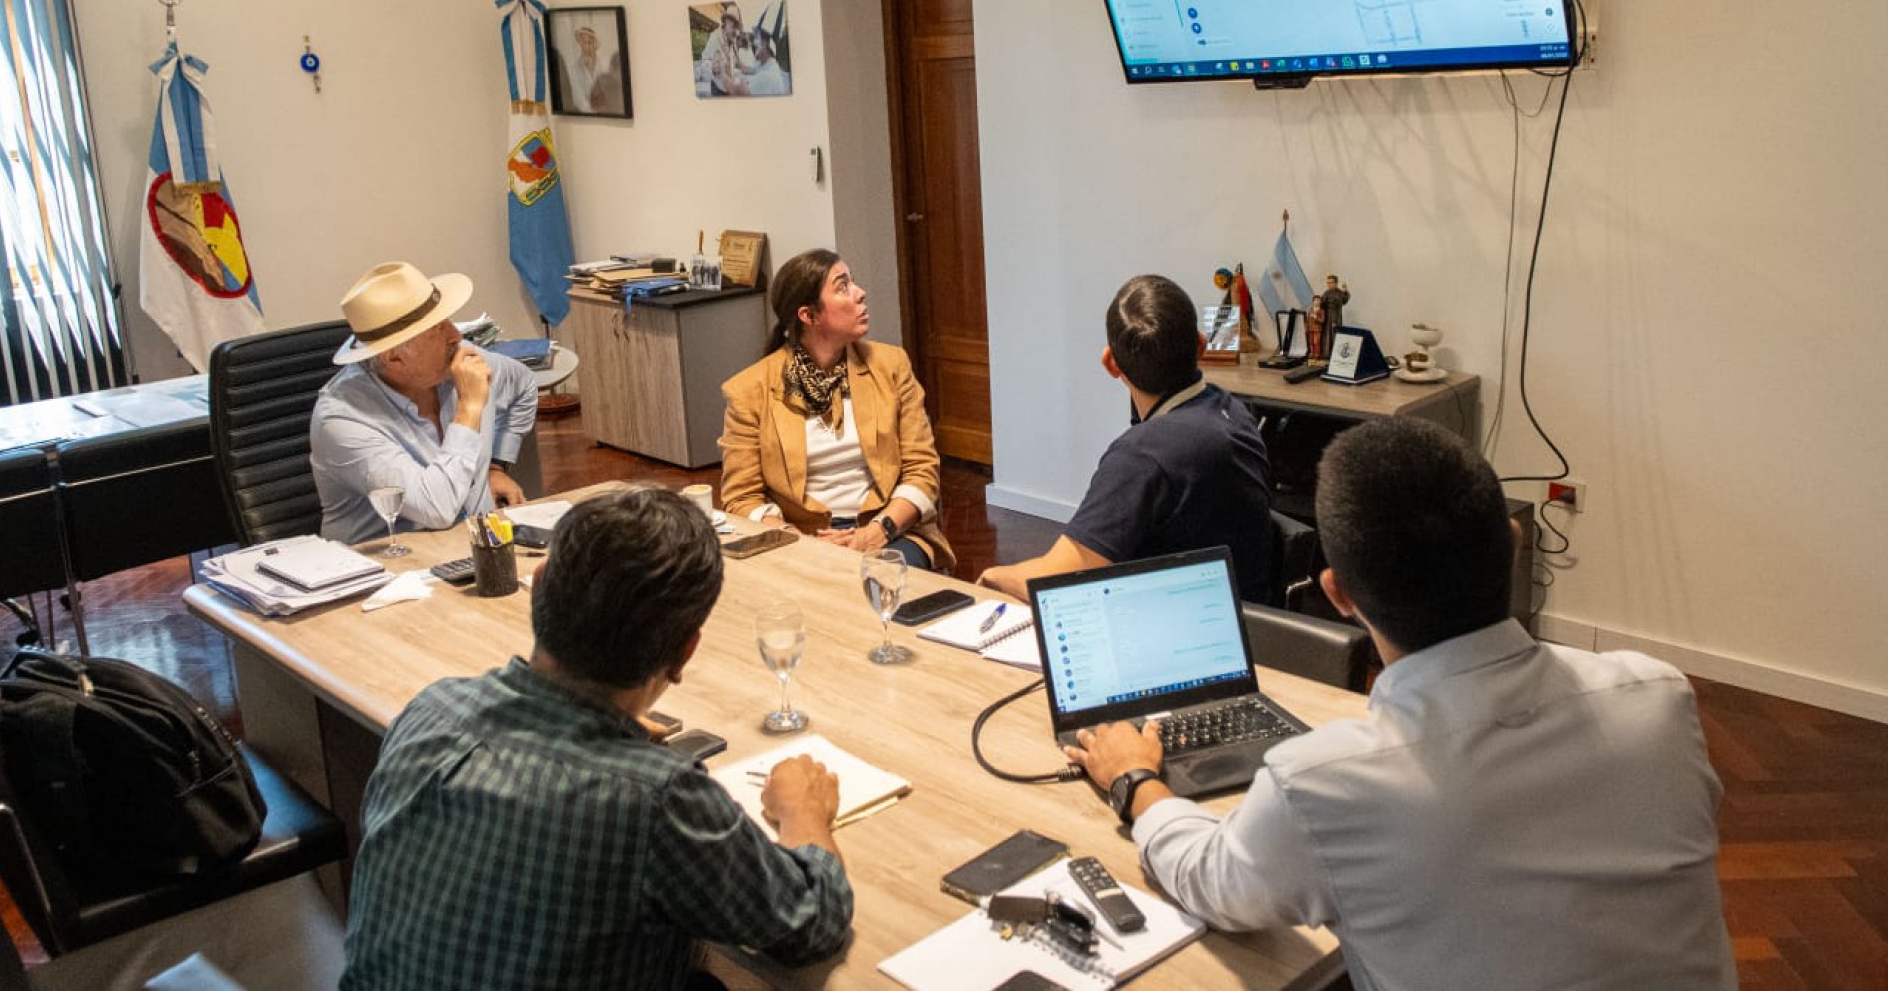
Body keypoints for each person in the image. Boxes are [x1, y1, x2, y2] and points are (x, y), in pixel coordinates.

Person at [1063, 418, 1736, 991]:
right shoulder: (1659, 701)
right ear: (1512, 541)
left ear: (1338, 594)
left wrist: (1136, 780)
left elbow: (1213, 882)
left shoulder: (1324, 785)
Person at [341, 487, 854, 990]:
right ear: (685, 652)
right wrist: (802, 809)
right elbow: (810, 924)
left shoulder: (433, 710)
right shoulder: (657, 799)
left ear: (537, 589)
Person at [978, 274, 1271, 601]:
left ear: (1111, 364)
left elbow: (1056, 581)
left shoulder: (1143, 457)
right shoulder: (1234, 411)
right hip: (1245, 613)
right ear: (1201, 346)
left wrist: (994, 575)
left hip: (1177, 624)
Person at [719, 248, 953, 571]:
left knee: (884, 579)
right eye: (842, 287)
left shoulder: (891, 366)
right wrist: (796, 541)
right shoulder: (750, 390)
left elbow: (923, 469)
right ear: (808, 315)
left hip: (890, 531)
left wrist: (875, 533)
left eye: (853, 282)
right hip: (800, 539)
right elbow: (741, 498)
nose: (860, 293)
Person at [309, 261, 536, 544]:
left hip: (476, 549)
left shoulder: (462, 361)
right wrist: (469, 409)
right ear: (393, 357)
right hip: (389, 569)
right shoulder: (342, 420)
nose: (456, 335)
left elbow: (524, 384)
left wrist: (495, 467)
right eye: (438, 329)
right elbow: (437, 510)